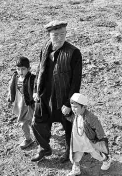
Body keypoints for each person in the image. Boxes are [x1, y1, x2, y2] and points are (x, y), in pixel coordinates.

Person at [31, 20, 83, 163]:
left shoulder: (74, 53)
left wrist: (69, 103)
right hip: (45, 95)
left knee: (68, 126)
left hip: (63, 97)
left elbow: (76, 81)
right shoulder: (45, 48)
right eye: (55, 35)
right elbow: (39, 70)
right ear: (49, 35)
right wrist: (36, 89)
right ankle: (44, 148)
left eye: (62, 34)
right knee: (38, 122)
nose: (59, 38)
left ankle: (69, 151)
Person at [64, 93, 111, 176]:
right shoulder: (76, 115)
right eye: (72, 107)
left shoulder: (90, 117)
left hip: (88, 141)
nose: (73, 109)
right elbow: (71, 119)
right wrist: (66, 115)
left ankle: (106, 159)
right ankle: (76, 169)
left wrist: (100, 139)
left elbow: (98, 127)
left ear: (84, 107)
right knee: (75, 155)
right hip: (77, 140)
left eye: (76, 107)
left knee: (96, 154)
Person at [8, 57, 36, 149]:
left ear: (29, 69)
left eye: (23, 69)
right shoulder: (15, 78)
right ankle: (28, 139)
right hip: (20, 104)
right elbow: (12, 89)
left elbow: (37, 90)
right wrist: (10, 99)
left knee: (35, 122)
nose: (21, 71)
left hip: (31, 105)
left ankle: (41, 136)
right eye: (18, 69)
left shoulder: (33, 79)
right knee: (23, 123)